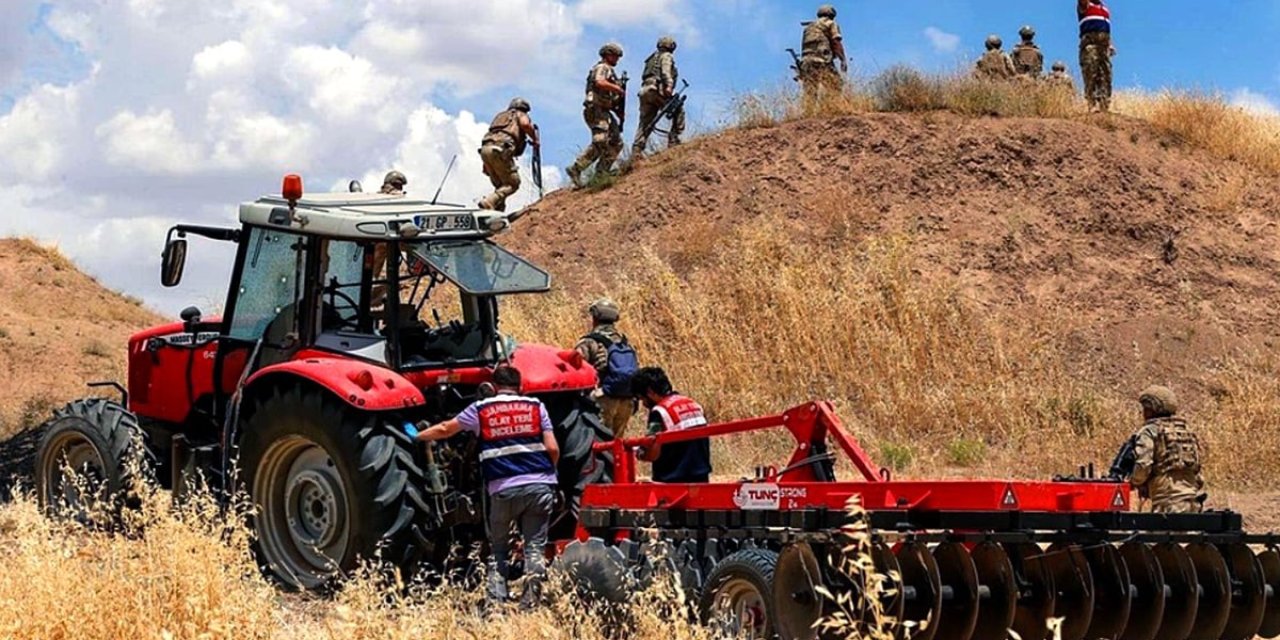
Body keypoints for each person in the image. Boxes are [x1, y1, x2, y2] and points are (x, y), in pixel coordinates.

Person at [414, 365, 560, 605]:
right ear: (520, 387)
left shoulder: (482, 408)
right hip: (540, 487)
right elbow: (552, 448)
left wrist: (417, 436)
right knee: (534, 547)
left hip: (503, 490)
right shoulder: (536, 406)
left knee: (499, 549)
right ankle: (530, 601)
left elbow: (445, 429)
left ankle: (497, 600)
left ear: (492, 387)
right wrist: (547, 474)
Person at [1128, 385, 1206, 514]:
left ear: (1150, 410)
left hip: (1166, 503)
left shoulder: (1150, 431)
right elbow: (1197, 470)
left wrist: (1134, 482)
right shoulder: (1185, 430)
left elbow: (1143, 465)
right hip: (1192, 502)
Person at [632, 367, 712, 484]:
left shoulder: (658, 412)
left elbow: (652, 454)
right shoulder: (693, 404)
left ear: (650, 392)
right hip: (701, 479)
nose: (644, 404)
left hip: (673, 483)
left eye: (642, 398)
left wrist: (639, 453)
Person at [574, 298, 639, 438]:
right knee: (618, 443)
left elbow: (575, 367)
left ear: (595, 316)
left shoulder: (589, 341)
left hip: (603, 398)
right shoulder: (624, 342)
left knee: (601, 442)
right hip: (627, 400)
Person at [567, 43, 626, 187]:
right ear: (608, 55)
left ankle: (601, 173)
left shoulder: (610, 71)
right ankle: (577, 168)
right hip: (596, 109)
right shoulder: (602, 68)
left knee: (616, 143)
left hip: (605, 111)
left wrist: (619, 112)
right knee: (600, 141)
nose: (617, 60)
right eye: (615, 56)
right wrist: (618, 89)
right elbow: (599, 82)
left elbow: (610, 98)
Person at [479, 98, 540, 212]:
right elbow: (525, 125)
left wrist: (486, 164)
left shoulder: (500, 117)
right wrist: (535, 139)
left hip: (485, 150)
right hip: (501, 150)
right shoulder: (519, 114)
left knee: (501, 186)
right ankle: (489, 202)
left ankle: (496, 213)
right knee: (512, 183)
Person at [631, 36, 684, 158]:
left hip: (645, 91)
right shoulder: (666, 56)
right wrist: (669, 86)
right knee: (677, 109)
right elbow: (665, 72)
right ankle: (674, 139)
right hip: (656, 89)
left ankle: (636, 151)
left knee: (645, 122)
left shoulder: (651, 58)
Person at [798, 4, 847, 100]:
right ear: (832, 15)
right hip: (822, 60)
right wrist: (842, 59)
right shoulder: (830, 23)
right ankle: (831, 109)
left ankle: (809, 112)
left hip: (806, 61)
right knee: (835, 85)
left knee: (810, 91)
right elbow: (836, 41)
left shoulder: (808, 27)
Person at [1078, 0, 1114, 112]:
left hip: (1104, 45)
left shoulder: (1104, 9)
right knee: (1090, 72)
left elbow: (1106, 29)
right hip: (1090, 44)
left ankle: (1104, 105)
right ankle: (1092, 103)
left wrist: (1111, 44)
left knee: (1106, 73)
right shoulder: (1086, 4)